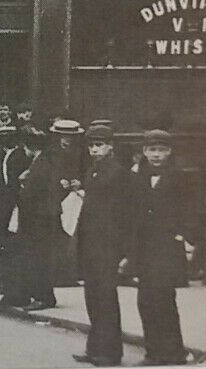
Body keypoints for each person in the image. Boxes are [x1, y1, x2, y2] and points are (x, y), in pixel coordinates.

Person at [125, 129, 193, 367]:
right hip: (144, 249)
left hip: (166, 249)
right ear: (144, 151)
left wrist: (182, 235)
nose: (156, 155)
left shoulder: (178, 177)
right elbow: (132, 214)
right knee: (145, 300)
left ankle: (174, 352)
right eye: (152, 150)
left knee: (164, 299)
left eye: (161, 150)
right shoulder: (138, 177)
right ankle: (153, 351)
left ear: (169, 151)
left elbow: (190, 210)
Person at [72, 122, 130, 367]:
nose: (95, 150)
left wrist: (121, 249)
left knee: (105, 299)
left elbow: (121, 213)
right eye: (92, 146)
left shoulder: (117, 173)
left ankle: (110, 352)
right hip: (91, 244)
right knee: (93, 297)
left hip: (107, 245)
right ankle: (94, 348)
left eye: (100, 145)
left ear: (110, 146)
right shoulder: (93, 172)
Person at [6, 126, 57, 311]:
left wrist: (20, 187)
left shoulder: (40, 165)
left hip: (39, 218)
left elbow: (31, 194)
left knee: (39, 257)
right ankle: (41, 295)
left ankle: (44, 297)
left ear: (31, 147)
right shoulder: (41, 162)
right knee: (37, 257)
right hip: (41, 217)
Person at [0, 124, 30, 306]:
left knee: (11, 250)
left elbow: (13, 185)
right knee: (6, 250)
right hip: (5, 208)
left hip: (13, 209)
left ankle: (15, 293)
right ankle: (8, 292)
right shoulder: (6, 156)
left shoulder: (18, 156)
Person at [48, 118, 86, 286]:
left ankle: (71, 274)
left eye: (70, 137)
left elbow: (86, 172)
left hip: (74, 198)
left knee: (72, 236)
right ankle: (56, 274)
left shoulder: (82, 153)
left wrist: (79, 182)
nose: (66, 140)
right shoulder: (50, 154)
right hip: (55, 198)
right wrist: (58, 181)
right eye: (62, 136)